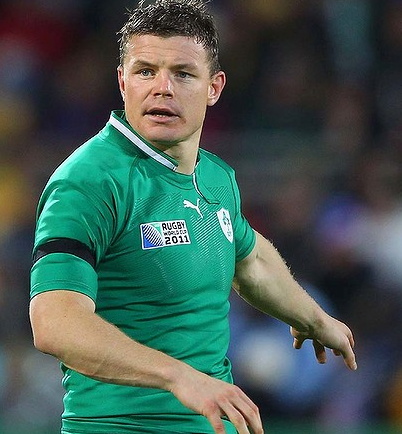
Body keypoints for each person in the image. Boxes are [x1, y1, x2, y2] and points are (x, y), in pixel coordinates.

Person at [29, 1, 357, 434]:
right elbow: (54, 322)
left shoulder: (216, 177)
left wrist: (313, 319)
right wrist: (178, 376)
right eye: (145, 71)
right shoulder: (89, 181)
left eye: (182, 74)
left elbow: (250, 259)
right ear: (122, 81)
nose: (162, 88)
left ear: (213, 87)